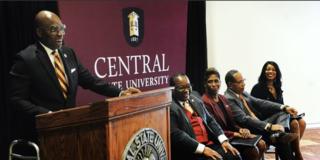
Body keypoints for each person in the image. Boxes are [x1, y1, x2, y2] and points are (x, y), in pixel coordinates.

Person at [8, 10, 140, 144]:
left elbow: (90, 81)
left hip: (72, 129)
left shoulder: (68, 53)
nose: (60, 34)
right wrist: (46, 114)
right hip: (44, 134)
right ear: (40, 32)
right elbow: (17, 99)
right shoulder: (26, 59)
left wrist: (120, 92)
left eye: (62, 28)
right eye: (54, 29)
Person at [224, 69, 300, 160]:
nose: (243, 84)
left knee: (284, 112)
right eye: (240, 82)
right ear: (230, 85)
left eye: (243, 80)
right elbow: (244, 119)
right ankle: (279, 137)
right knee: (282, 141)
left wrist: (284, 107)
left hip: (259, 122)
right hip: (250, 129)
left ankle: (279, 135)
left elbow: (259, 102)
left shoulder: (242, 92)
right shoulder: (228, 98)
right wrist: (269, 126)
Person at [170, 73, 241, 160]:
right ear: (172, 90)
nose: (186, 90)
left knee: (235, 155)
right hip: (193, 150)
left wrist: (223, 140)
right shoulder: (170, 107)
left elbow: (210, 121)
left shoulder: (196, 100)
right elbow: (177, 135)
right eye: (181, 88)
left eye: (188, 86)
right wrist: (203, 149)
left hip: (210, 144)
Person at [202, 67, 266, 160]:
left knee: (261, 143)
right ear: (205, 84)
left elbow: (231, 123)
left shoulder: (222, 98)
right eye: (210, 81)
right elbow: (213, 130)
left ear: (220, 82)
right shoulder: (204, 102)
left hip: (233, 135)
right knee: (253, 150)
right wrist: (237, 134)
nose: (214, 84)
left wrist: (241, 130)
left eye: (216, 81)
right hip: (220, 139)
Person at [251, 61, 306, 159]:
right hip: (267, 119)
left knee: (302, 122)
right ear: (264, 72)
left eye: (273, 69)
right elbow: (257, 109)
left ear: (277, 72)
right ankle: (295, 152)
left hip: (281, 117)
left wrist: (289, 113)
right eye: (268, 69)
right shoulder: (257, 88)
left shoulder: (277, 86)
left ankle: (293, 150)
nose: (270, 71)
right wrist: (283, 110)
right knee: (294, 124)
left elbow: (281, 105)